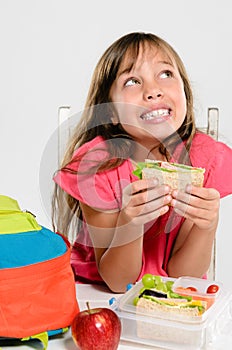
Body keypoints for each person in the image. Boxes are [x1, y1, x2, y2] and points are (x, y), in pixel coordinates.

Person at [52, 32, 232, 293]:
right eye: (133, 81)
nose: (153, 91)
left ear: (185, 92)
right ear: (110, 111)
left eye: (166, 74)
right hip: (98, 296)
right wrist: (131, 223)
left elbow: (184, 276)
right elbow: (117, 281)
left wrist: (207, 225)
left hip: (172, 299)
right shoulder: (97, 166)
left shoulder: (202, 161)